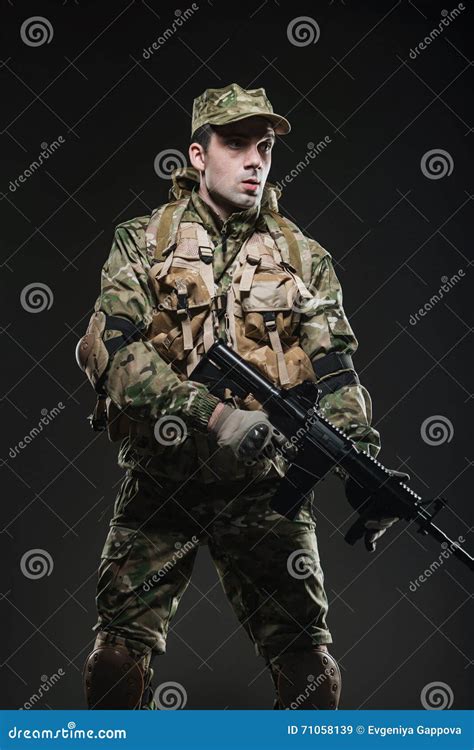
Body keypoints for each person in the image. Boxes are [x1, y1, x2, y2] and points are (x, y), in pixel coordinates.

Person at [76, 83, 407, 710]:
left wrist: (363, 459)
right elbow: (113, 354)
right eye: (236, 144)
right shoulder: (142, 243)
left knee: (309, 662)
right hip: (161, 478)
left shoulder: (303, 259)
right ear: (198, 156)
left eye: (265, 146)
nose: (255, 159)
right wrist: (216, 415)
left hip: (263, 485)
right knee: (119, 653)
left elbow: (335, 370)